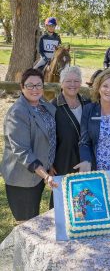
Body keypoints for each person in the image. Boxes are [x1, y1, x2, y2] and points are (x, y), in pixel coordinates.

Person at [0, 68, 58, 222]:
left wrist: (49, 164)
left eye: (38, 85)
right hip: (22, 179)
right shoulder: (17, 113)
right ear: (22, 87)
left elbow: (48, 138)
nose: (35, 89)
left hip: (37, 175)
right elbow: (22, 151)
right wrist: (45, 175)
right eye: (30, 85)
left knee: (35, 219)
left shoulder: (42, 105)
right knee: (27, 226)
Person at [49, 66, 89, 208]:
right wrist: (49, 163)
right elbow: (47, 138)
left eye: (76, 81)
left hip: (86, 161)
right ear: (61, 83)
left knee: (84, 200)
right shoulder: (53, 106)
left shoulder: (87, 103)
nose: (73, 84)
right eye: (68, 81)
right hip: (63, 162)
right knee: (62, 204)